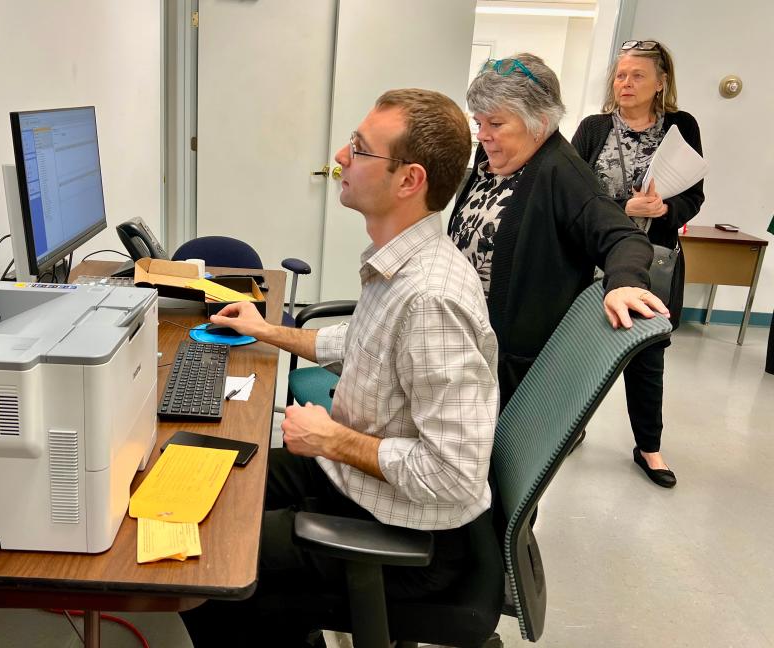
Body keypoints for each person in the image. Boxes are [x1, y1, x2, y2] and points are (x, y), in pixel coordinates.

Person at [180, 89, 499, 648]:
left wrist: (331, 440)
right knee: (197, 481)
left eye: (359, 148)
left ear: (409, 180)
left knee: (206, 554)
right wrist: (264, 329)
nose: (341, 156)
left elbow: (453, 473)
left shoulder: (429, 298)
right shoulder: (400, 264)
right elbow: (359, 341)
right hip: (356, 483)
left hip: (406, 533)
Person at [447, 53, 668, 443]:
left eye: (496, 123)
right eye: (479, 122)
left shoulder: (560, 171)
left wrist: (625, 282)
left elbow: (624, 237)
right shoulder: (493, 156)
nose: (482, 135)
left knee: (494, 478)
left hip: (508, 367)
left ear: (540, 123)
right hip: (463, 350)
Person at [572, 40, 703, 488]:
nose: (625, 84)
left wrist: (665, 211)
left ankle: (649, 447)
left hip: (654, 260)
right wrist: (625, 208)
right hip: (593, 259)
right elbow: (572, 195)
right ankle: (570, 429)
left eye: (637, 76)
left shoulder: (682, 126)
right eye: (620, 75)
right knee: (581, 350)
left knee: (647, 355)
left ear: (661, 82)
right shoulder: (593, 128)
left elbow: (694, 196)